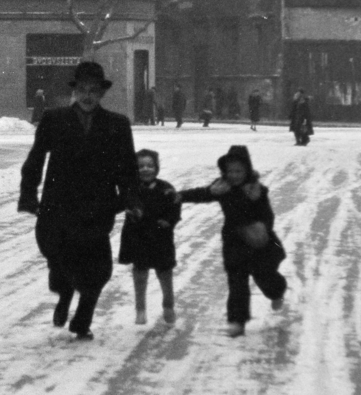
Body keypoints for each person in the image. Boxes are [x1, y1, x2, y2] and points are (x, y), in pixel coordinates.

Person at [19, 60, 138, 340]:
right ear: (75, 91)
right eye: (83, 89)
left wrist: (131, 198)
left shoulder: (117, 125)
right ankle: (64, 295)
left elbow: (127, 168)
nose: (87, 96)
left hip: (97, 208)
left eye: (93, 91)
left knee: (99, 270)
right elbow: (35, 160)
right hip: (58, 207)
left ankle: (82, 321)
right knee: (60, 263)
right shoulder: (54, 120)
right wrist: (28, 194)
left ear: (101, 94)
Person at [177, 144, 288, 337]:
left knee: (264, 276)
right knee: (237, 280)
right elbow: (202, 193)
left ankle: (277, 292)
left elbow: (267, 215)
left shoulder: (256, 190)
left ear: (247, 170)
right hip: (234, 241)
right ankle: (237, 321)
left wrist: (262, 228)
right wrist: (180, 196)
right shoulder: (222, 188)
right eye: (230, 171)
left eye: (239, 171)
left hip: (259, 242)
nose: (234, 175)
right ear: (224, 171)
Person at [118, 149, 180, 326]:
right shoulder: (132, 189)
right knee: (139, 273)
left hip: (161, 239)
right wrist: (133, 212)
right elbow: (128, 204)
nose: (146, 169)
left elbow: (175, 209)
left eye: (150, 165)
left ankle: (168, 305)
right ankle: (140, 309)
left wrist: (168, 221)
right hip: (138, 237)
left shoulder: (166, 188)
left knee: (165, 274)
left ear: (157, 167)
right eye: (141, 166)